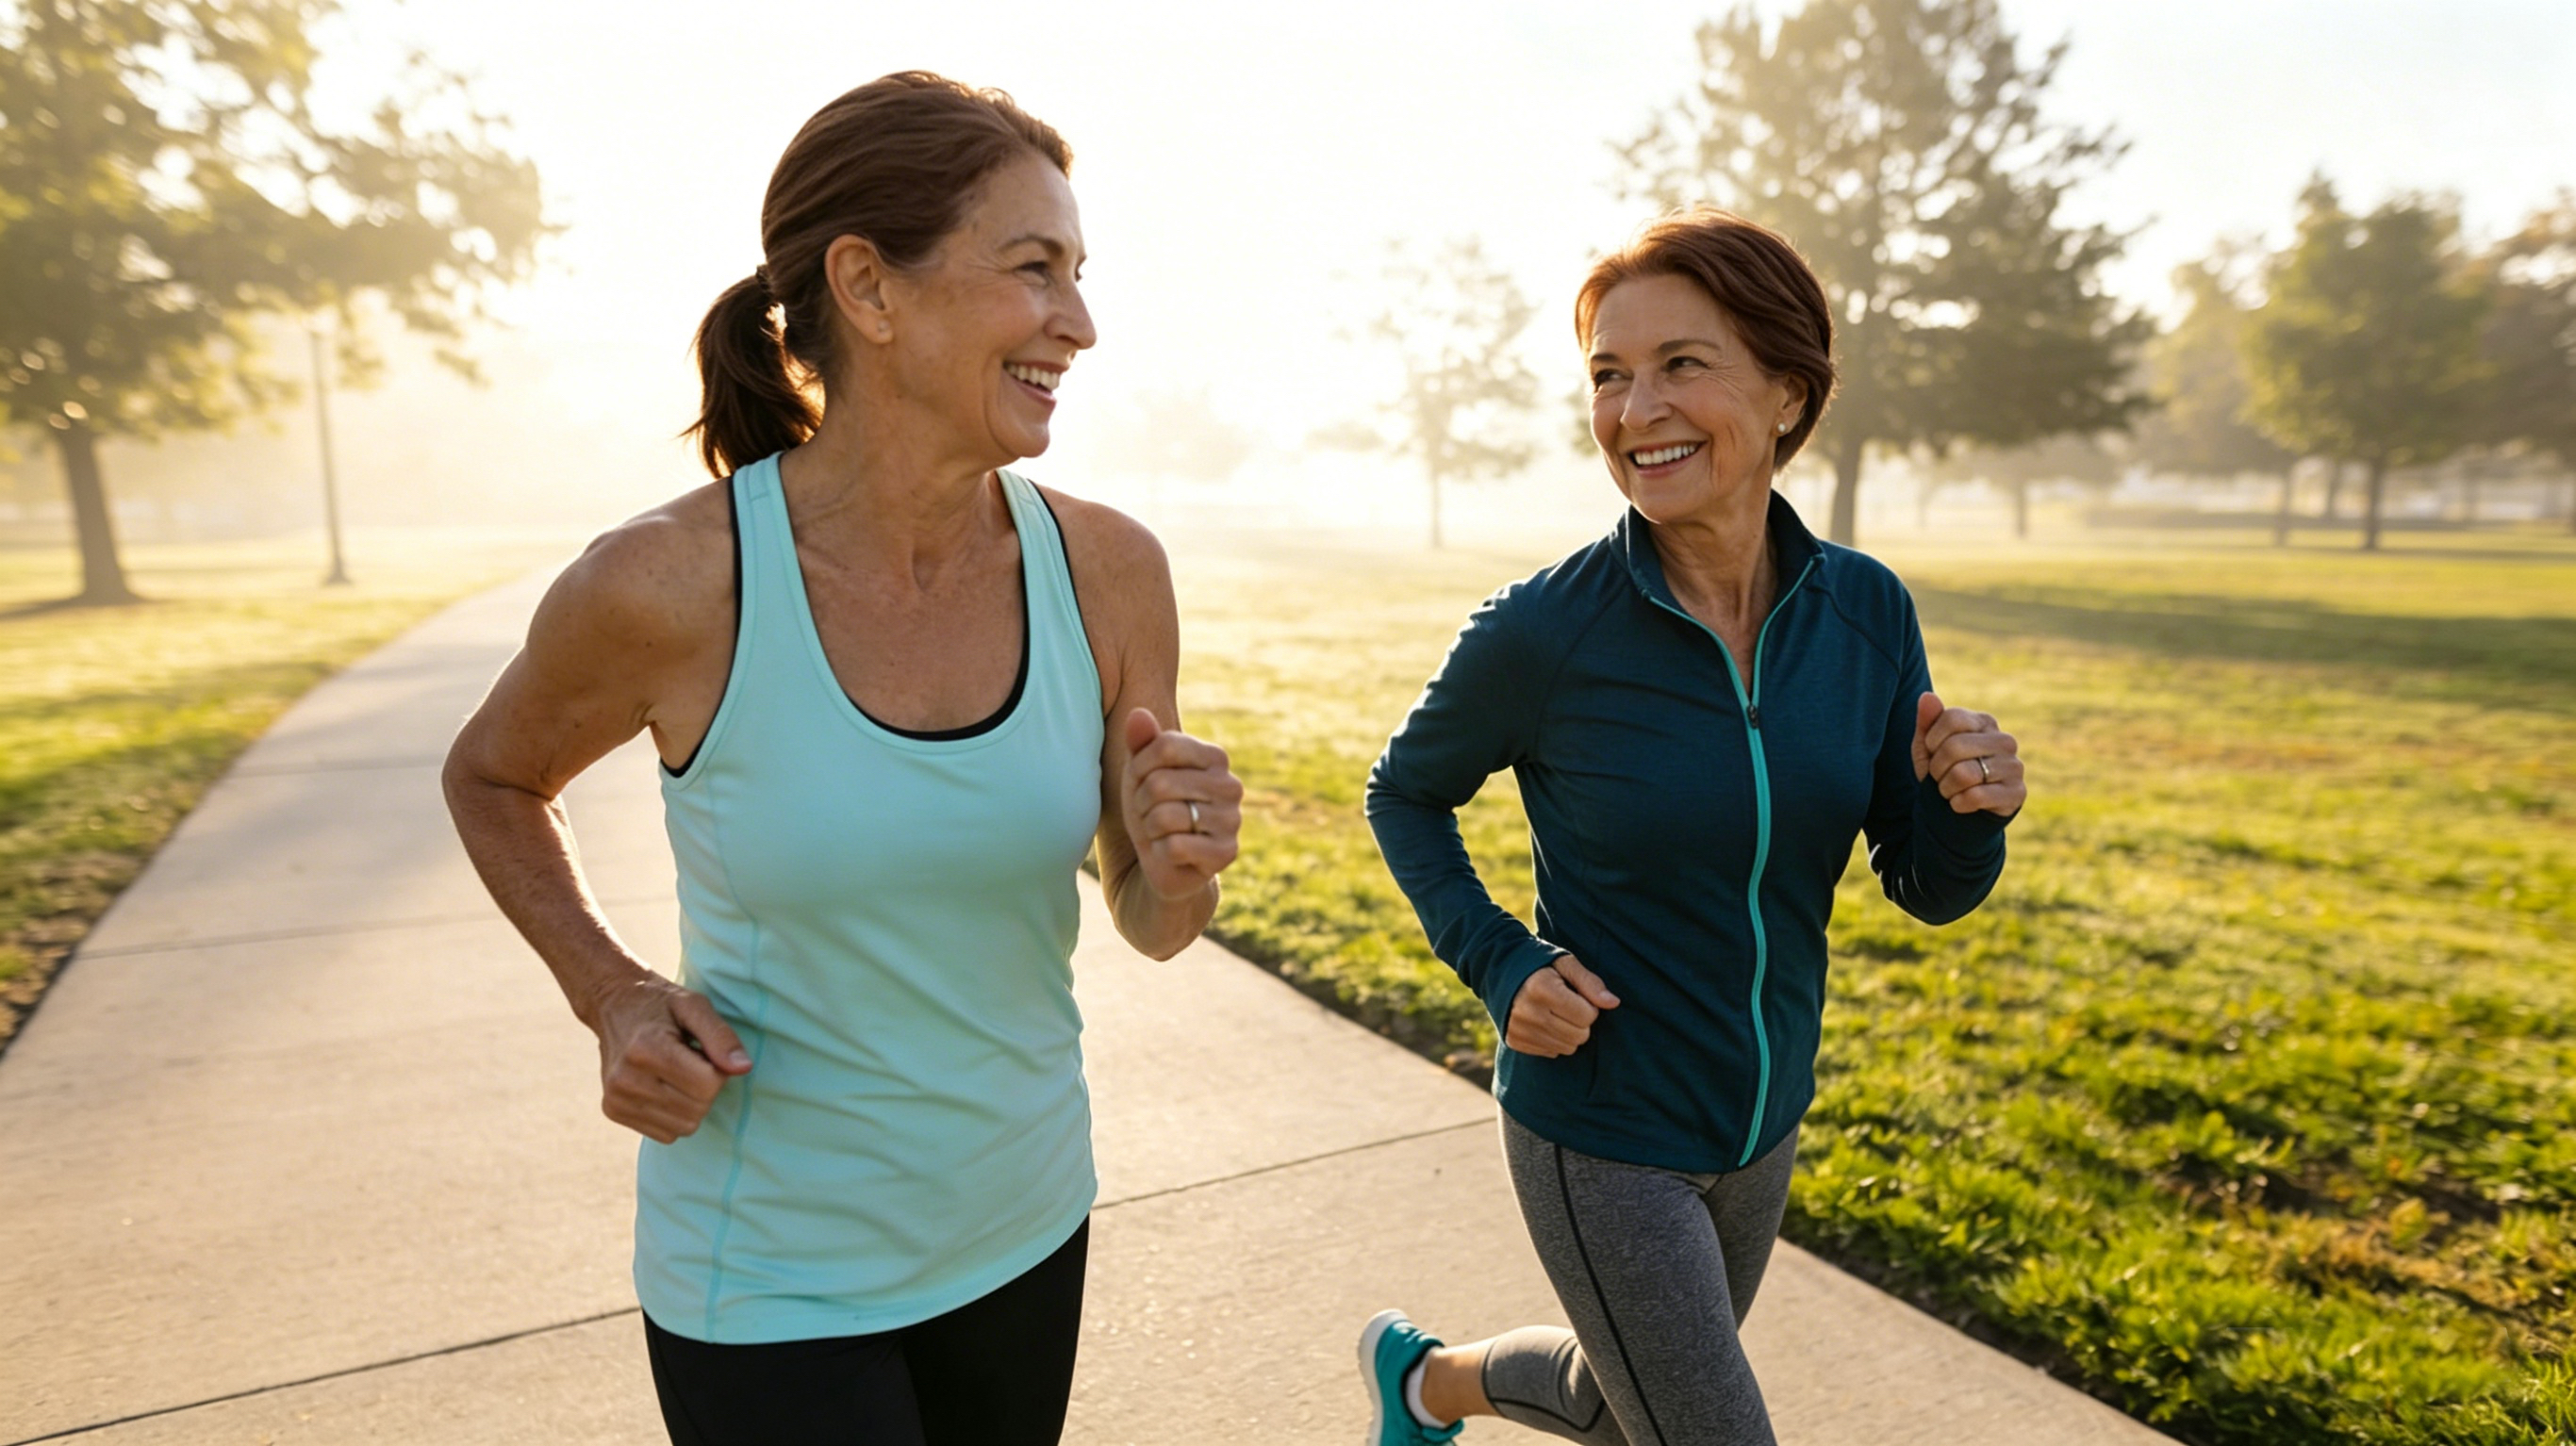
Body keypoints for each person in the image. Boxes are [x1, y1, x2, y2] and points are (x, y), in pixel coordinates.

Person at [441, 72, 1241, 1446]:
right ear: (868, 287)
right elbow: (493, 775)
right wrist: (615, 994)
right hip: (772, 1277)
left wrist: (1178, 863)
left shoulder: (1109, 569)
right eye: (1033, 269)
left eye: (1082, 272)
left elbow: (1156, 924)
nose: (1082, 322)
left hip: (1026, 1221)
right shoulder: (671, 585)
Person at [1352, 208, 2027, 1446]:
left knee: (1624, 1404)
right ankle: (1425, 1383)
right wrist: (1501, 962)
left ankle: (1422, 1381)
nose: (1635, 408)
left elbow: (1923, 879)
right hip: (1601, 1122)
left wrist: (1968, 811)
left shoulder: (1866, 612)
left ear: (1785, 392)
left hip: (1760, 1117)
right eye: (1609, 374)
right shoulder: (1545, 630)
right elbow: (1404, 791)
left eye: (1681, 365)